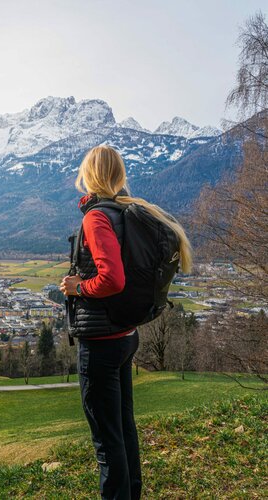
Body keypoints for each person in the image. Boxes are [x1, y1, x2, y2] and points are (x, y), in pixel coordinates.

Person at [60, 145, 192, 499]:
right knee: (123, 427)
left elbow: (113, 279)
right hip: (124, 334)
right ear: (119, 176)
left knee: (107, 438)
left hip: (100, 343)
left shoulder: (97, 217)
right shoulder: (125, 211)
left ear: (89, 175)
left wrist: (77, 287)